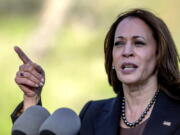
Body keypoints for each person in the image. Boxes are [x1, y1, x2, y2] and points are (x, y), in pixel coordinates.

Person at [11, 8, 180, 135]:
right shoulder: (93, 113)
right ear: (112, 57)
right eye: (119, 43)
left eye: (139, 43)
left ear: (159, 54)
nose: (126, 51)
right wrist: (31, 98)